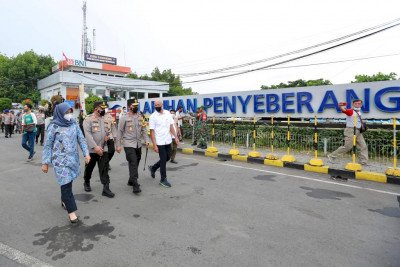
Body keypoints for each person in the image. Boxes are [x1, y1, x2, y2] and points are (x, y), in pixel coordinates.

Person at [41, 102, 90, 224]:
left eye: (70, 112)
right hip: (60, 161)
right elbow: (47, 145)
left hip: (72, 159)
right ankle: (72, 213)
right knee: (66, 184)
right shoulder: (54, 126)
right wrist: (45, 162)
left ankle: (64, 200)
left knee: (68, 182)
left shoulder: (74, 123)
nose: (69, 114)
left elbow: (81, 139)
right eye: (66, 112)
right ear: (60, 113)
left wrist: (86, 153)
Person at [83, 101, 115, 198]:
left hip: (103, 147)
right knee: (89, 167)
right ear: (96, 109)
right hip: (92, 149)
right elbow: (88, 135)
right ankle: (86, 181)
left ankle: (106, 188)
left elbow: (107, 131)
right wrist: (95, 147)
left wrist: (107, 137)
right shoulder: (88, 119)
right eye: (102, 108)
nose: (103, 110)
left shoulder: (103, 119)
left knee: (104, 168)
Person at [116, 101, 150, 194]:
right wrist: (118, 145)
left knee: (136, 161)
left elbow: (143, 129)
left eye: (137, 106)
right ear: (129, 106)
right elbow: (120, 132)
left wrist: (147, 140)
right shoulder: (124, 118)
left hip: (138, 144)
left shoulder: (140, 117)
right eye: (133, 106)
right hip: (128, 143)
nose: (136, 107)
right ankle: (135, 184)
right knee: (133, 161)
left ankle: (131, 179)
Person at [148, 99, 179, 188]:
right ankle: (163, 179)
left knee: (167, 158)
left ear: (162, 105)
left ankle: (153, 168)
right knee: (163, 160)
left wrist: (176, 137)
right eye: (155, 105)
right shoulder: (153, 117)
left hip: (168, 140)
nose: (156, 106)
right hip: (159, 142)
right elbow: (152, 132)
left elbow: (171, 126)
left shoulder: (167, 113)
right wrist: (154, 145)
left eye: (158, 104)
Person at [328, 99, 368, 165]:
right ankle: (332, 156)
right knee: (348, 146)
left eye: (359, 103)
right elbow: (344, 110)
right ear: (353, 104)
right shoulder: (351, 111)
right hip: (351, 130)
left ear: (361, 104)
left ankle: (363, 162)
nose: (357, 104)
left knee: (363, 146)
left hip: (358, 131)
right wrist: (340, 106)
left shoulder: (359, 112)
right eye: (356, 103)